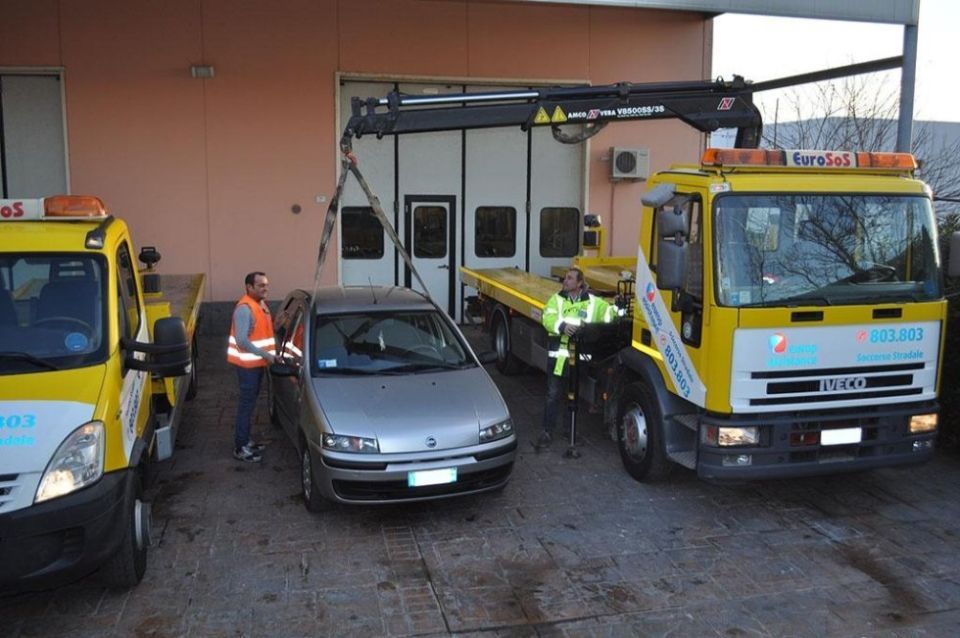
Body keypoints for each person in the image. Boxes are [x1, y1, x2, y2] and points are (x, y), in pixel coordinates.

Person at [537, 267, 618, 450]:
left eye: (570, 278)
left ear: (579, 283)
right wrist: (562, 326)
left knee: (572, 398)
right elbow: (547, 318)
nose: (565, 281)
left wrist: (620, 309)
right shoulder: (557, 300)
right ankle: (547, 431)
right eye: (566, 278)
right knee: (552, 395)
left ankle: (569, 430)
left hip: (577, 362)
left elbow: (608, 313)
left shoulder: (592, 302)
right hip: (558, 361)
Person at [226, 271, 276, 462]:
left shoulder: (259, 305)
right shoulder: (245, 309)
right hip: (248, 367)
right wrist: (267, 356)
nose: (266, 288)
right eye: (261, 285)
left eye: (266, 284)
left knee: (250, 404)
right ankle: (240, 447)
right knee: (246, 406)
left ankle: (246, 440)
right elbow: (242, 341)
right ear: (249, 287)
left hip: (257, 365)